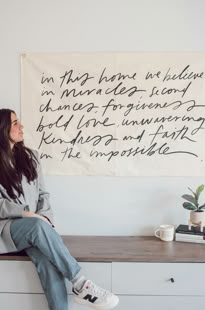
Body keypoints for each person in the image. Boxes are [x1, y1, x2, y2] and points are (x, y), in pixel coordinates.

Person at [0, 108, 119, 310]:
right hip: (7, 229)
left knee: (48, 263)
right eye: (15, 123)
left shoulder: (32, 157)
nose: (21, 127)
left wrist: (45, 219)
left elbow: (43, 195)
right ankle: (81, 284)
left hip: (35, 229)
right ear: (2, 129)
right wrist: (27, 214)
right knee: (36, 227)